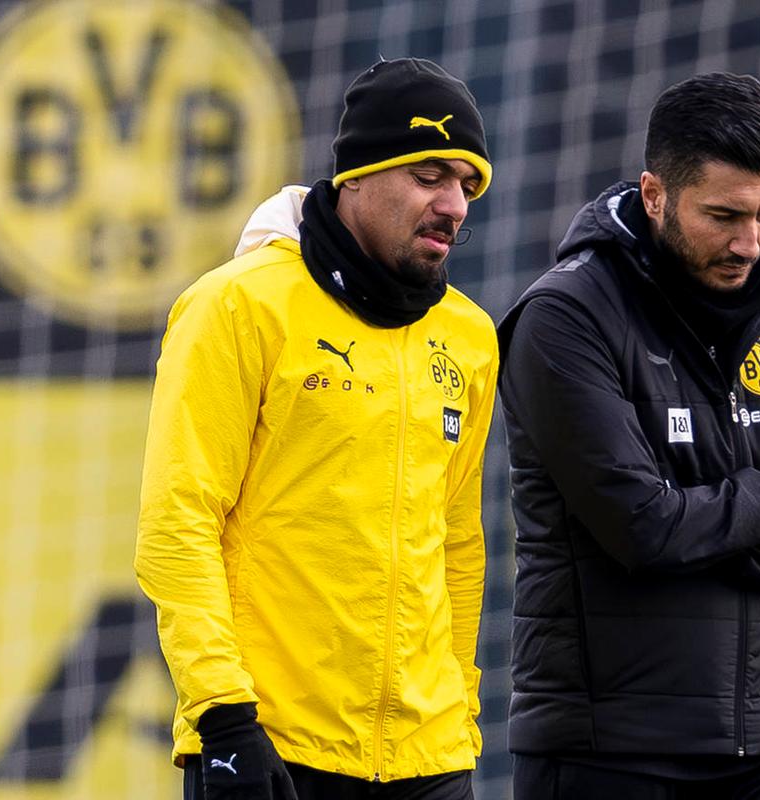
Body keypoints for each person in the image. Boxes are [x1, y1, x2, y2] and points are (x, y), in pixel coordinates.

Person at [498, 72, 760, 798]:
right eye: (724, 215)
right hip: (608, 755)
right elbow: (644, 531)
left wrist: (696, 527)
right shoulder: (564, 318)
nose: (750, 241)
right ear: (654, 195)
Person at [136, 58, 497, 800]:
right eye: (430, 175)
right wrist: (224, 716)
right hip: (271, 745)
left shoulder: (470, 336)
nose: (454, 205)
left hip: (429, 760)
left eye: (468, 185)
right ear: (358, 175)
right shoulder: (237, 307)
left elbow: (457, 537)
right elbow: (178, 524)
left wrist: (459, 710)